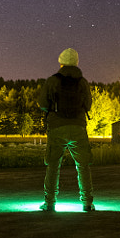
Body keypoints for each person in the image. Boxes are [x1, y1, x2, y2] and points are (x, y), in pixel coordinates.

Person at [38, 47, 95, 212]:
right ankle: (87, 203)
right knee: (83, 166)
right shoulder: (82, 82)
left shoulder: (52, 80)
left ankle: (49, 202)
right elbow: (89, 106)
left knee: (53, 165)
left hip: (56, 127)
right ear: (77, 63)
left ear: (61, 62)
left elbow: (42, 103)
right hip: (78, 127)